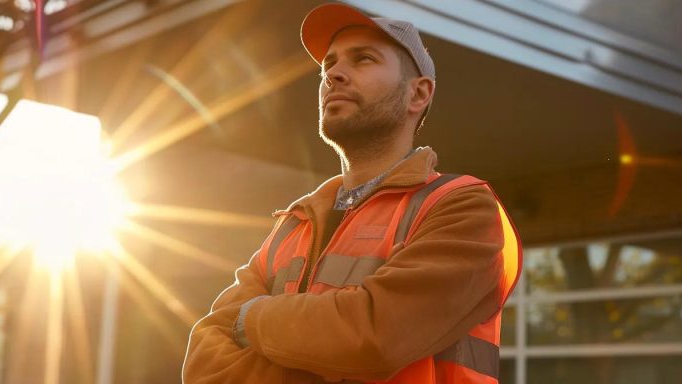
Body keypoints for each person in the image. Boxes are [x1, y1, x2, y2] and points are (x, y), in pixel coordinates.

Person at [183, 3, 521, 383]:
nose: (335, 75)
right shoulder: (292, 226)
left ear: (418, 94)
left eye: (363, 59)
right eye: (329, 65)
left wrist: (253, 318)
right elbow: (203, 361)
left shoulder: (462, 207)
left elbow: (373, 337)